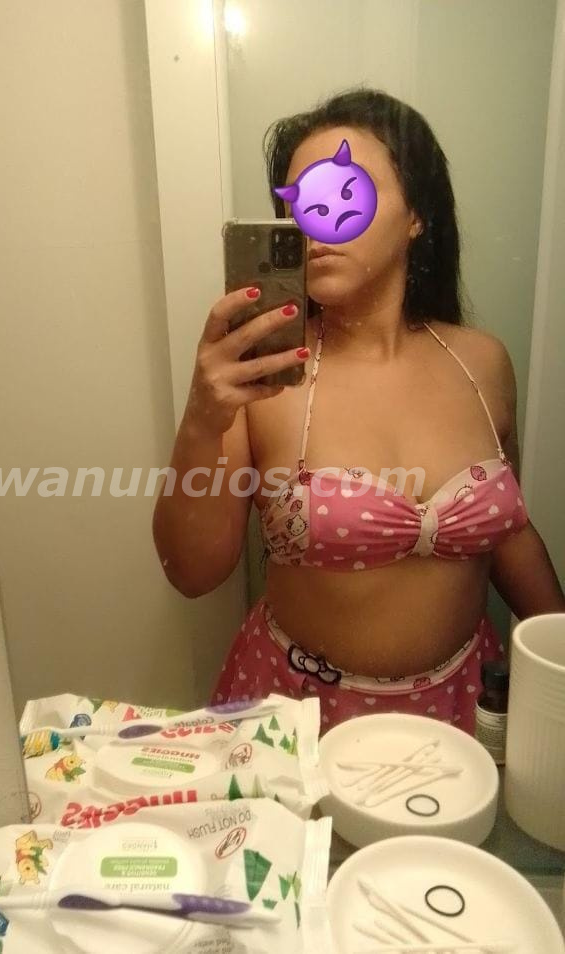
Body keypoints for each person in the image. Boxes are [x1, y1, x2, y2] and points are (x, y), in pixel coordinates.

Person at [153, 88, 565, 735]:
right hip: (299, 715)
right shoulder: (263, 376)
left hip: (462, 710)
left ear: (416, 215)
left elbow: (509, 534)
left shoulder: (482, 362)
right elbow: (191, 574)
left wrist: (559, 661)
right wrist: (203, 418)